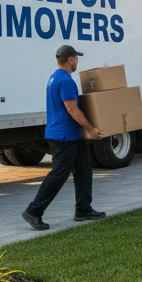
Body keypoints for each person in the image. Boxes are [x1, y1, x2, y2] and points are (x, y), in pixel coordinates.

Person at [21, 45, 107, 231]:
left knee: (84, 169)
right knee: (59, 174)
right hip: (63, 136)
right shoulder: (66, 80)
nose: (77, 61)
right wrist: (91, 129)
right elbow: (72, 108)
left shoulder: (54, 77)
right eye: (77, 58)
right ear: (71, 59)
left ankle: (83, 210)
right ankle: (34, 211)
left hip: (70, 135)